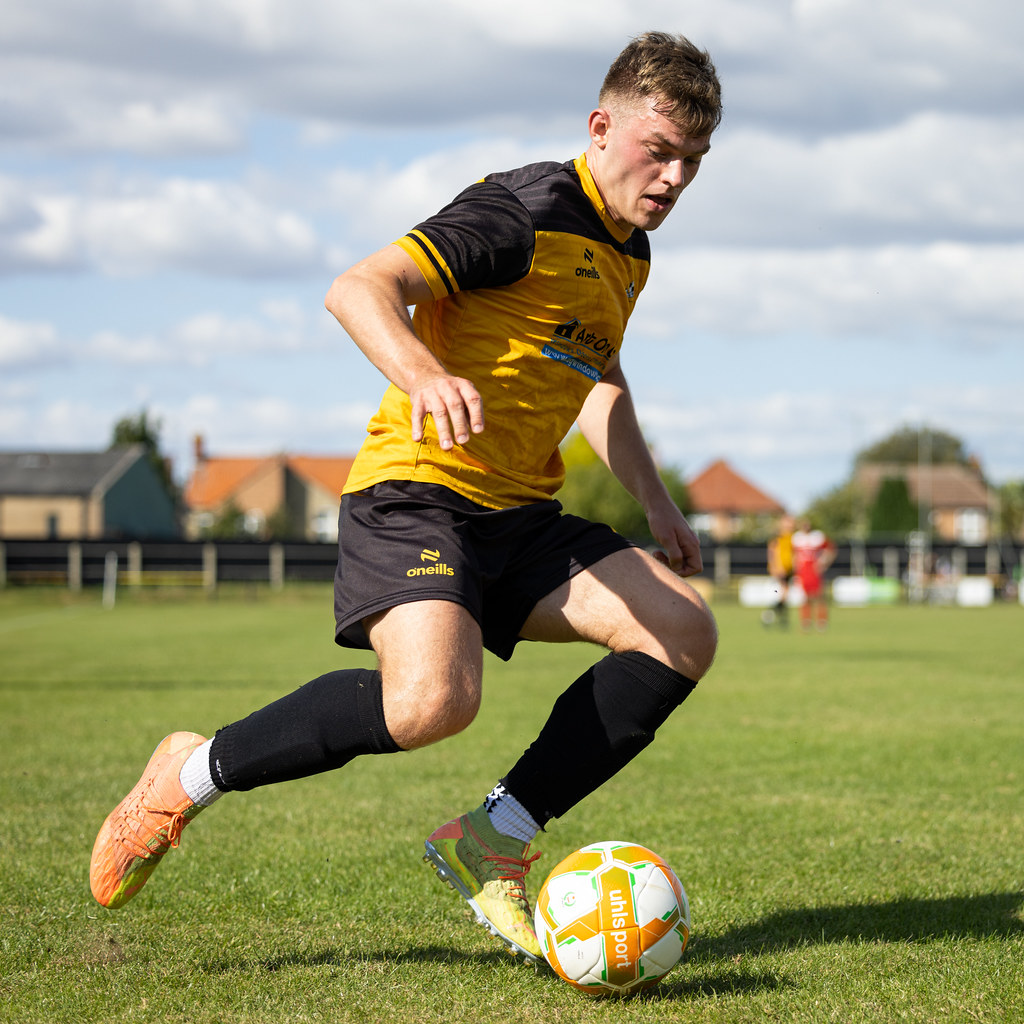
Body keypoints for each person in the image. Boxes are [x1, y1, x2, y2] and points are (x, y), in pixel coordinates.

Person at [89, 31, 723, 965]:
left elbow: (596, 375)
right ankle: (186, 772)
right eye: (658, 151)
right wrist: (423, 372)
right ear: (601, 127)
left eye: (693, 163)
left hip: (520, 515)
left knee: (684, 631)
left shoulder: (629, 253)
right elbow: (360, 289)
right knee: (431, 704)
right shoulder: (522, 208)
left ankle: (494, 838)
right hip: (418, 495)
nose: (673, 178)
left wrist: (656, 502)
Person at [791, 518, 836, 632]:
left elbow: (831, 549)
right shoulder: (796, 538)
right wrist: (795, 568)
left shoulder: (817, 537)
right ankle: (805, 622)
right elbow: (794, 555)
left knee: (819, 596)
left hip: (814, 570)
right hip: (803, 571)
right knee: (804, 597)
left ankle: (822, 621)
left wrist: (823, 563)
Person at [762, 514, 795, 628]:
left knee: (784, 595)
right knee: (782, 594)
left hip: (789, 569)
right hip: (780, 570)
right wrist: (775, 567)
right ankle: (771, 616)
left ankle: (777, 618)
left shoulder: (793, 537)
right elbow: (772, 552)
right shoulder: (778, 537)